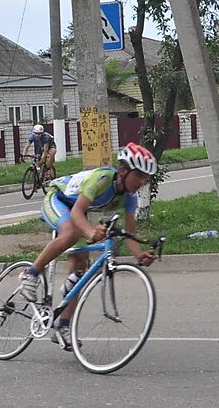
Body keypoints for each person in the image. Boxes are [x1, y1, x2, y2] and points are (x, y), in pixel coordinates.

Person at [18, 142, 158, 349]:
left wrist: (139, 256)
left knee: (82, 272)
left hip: (77, 210)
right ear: (123, 170)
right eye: (139, 175)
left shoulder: (130, 197)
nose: (142, 182)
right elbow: (76, 213)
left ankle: (62, 324)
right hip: (57, 199)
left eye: (146, 178)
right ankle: (31, 273)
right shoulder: (102, 178)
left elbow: (131, 233)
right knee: (71, 233)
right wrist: (91, 232)